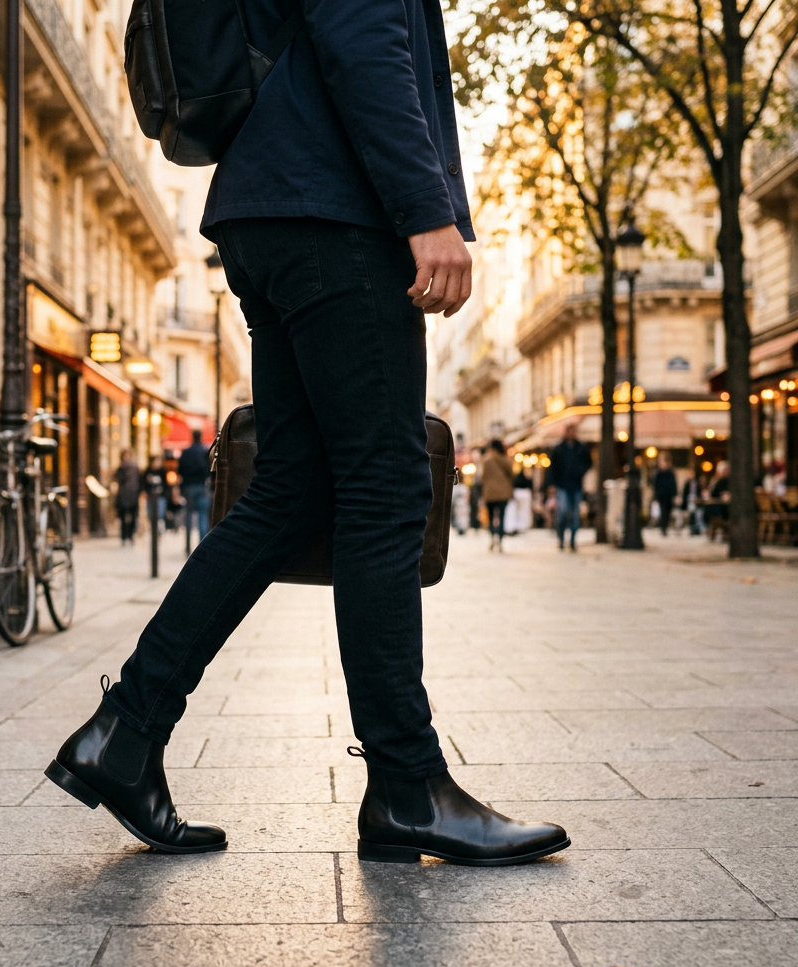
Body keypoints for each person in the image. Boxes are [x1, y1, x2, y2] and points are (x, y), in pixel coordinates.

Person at [45, 0, 568, 867]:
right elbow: (364, 36)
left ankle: (125, 734)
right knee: (386, 487)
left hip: (273, 202)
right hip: (337, 210)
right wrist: (425, 210)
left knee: (288, 493)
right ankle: (408, 786)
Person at [547, 422, 592, 551]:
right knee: (562, 512)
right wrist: (552, 484)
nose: (571, 433)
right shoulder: (558, 448)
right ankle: (561, 538)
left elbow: (588, 463)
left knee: (575, 515)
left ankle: (572, 540)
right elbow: (552, 468)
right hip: (562, 485)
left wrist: (580, 472)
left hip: (576, 485)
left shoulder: (581, 447)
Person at [179, 429, 211, 554]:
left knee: (188, 516)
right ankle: (201, 547)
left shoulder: (186, 452)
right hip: (202, 486)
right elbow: (209, 470)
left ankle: (187, 547)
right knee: (202, 516)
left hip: (188, 486)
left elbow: (180, 470)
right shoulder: (204, 451)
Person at [480, 438, 513, 552]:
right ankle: (500, 540)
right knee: (502, 517)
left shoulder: (486, 459)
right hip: (503, 493)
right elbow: (511, 472)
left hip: (489, 493)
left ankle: (492, 536)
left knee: (490, 517)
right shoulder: (504, 459)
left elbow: (482, 476)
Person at [114, 449, 142, 545]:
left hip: (133, 495)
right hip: (123, 495)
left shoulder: (135, 467)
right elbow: (116, 477)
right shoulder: (121, 468)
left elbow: (139, 480)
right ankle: (124, 536)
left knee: (133, 517)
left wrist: (139, 492)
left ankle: (130, 536)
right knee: (123, 517)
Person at [651, 453, 678, 537]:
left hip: (669, 496)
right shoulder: (658, 473)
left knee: (668, 512)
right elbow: (654, 484)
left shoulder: (670, 472)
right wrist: (657, 494)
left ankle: (665, 527)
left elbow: (674, 484)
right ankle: (663, 528)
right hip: (661, 495)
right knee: (663, 511)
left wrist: (675, 494)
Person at [706, 460, 730, 541]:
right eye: (724, 470)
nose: (725, 472)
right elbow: (713, 494)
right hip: (716, 506)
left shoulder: (728, 481)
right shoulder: (717, 481)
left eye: (727, 470)